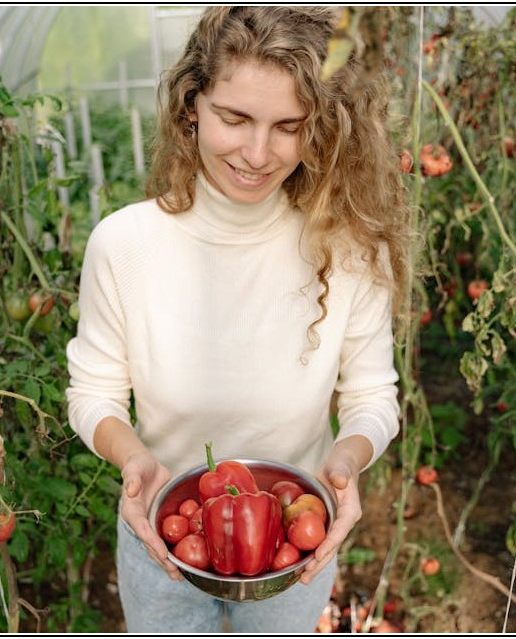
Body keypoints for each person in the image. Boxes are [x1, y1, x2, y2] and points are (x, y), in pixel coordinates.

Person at [66, 6, 409, 633]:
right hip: (163, 539)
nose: (257, 152)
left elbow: (372, 396)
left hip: (293, 543)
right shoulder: (124, 244)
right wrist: (133, 460)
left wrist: (346, 463)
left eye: (289, 126)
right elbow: (93, 393)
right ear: (192, 103)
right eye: (235, 118)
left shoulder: (351, 248)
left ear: (323, 128)